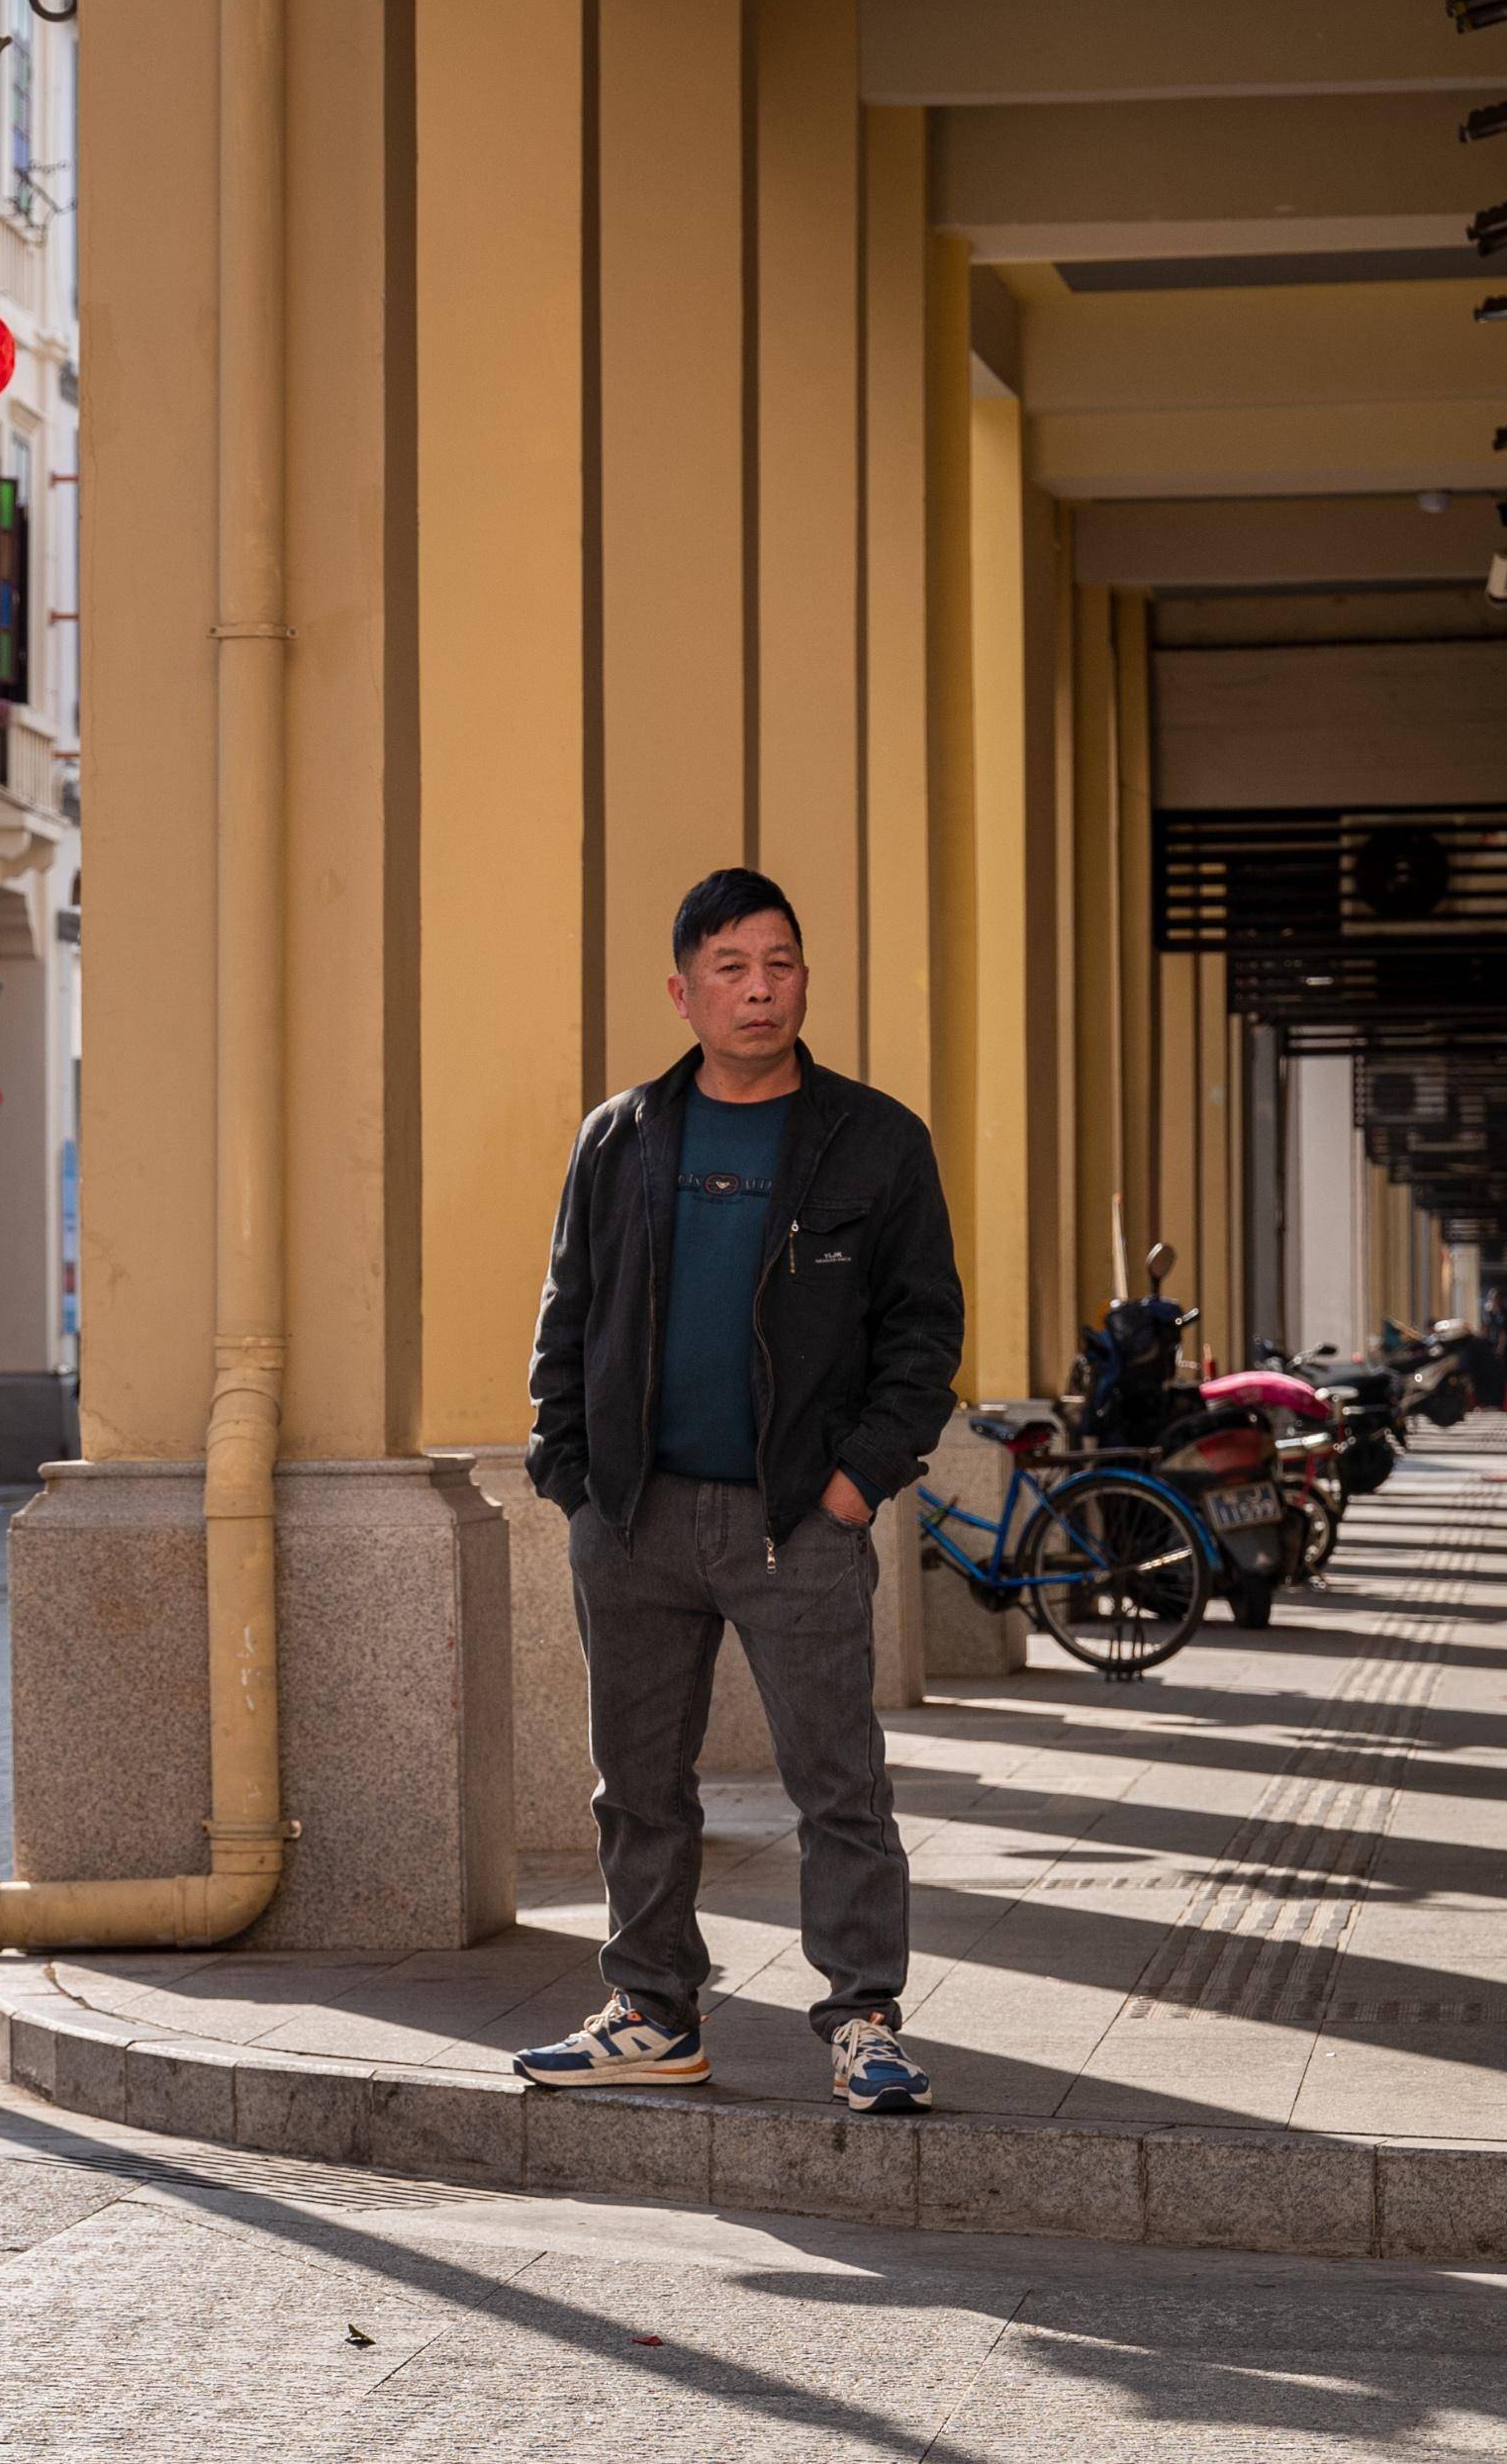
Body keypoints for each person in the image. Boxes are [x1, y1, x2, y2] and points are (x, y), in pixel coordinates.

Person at [515, 868, 966, 2116]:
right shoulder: (619, 1136)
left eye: (778, 962)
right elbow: (569, 1310)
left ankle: (862, 2018)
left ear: (803, 980)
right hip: (633, 1515)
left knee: (839, 1779)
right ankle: (653, 2010)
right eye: (729, 966)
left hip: (794, 1523)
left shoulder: (871, 1139)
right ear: (682, 990)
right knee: (636, 1783)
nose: (757, 987)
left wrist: (851, 1484)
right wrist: (572, 1477)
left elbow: (922, 1332)